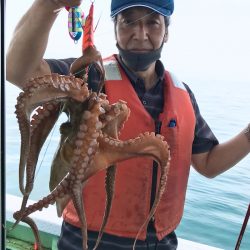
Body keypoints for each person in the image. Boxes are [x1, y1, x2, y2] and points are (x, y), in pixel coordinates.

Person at [6, 0, 250, 249]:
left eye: (153, 23)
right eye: (128, 22)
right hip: (87, 241)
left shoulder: (182, 94)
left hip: (162, 243)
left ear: (166, 31)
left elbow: (209, 163)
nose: (140, 34)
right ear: (115, 29)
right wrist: (50, 4)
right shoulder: (89, 76)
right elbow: (19, 71)